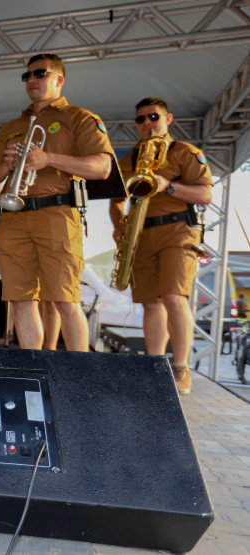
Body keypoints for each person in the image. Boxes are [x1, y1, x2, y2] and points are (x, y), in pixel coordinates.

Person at [0, 53, 113, 352]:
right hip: (13, 218)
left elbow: (102, 167)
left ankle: (79, 376)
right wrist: (7, 163)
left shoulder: (79, 118)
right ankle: (34, 370)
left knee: (65, 299)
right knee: (20, 301)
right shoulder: (12, 125)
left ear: (59, 80)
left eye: (40, 74)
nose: (31, 80)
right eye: (27, 75)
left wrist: (49, 158)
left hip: (57, 213)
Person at [110, 97, 213, 394]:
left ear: (168, 119)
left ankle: (181, 367)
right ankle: (154, 368)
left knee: (173, 298)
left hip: (178, 232)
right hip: (141, 234)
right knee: (150, 305)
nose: (146, 123)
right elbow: (116, 202)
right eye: (140, 119)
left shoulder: (185, 153)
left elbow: (205, 194)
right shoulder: (128, 160)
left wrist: (167, 185)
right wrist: (119, 227)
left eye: (153, 116)